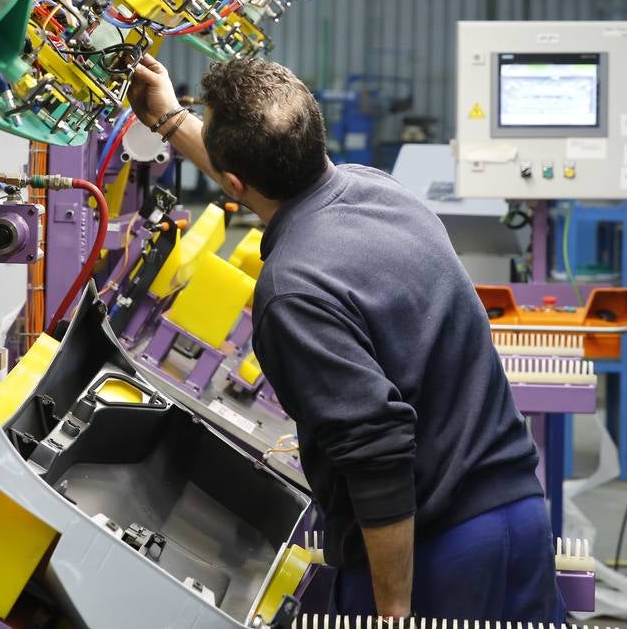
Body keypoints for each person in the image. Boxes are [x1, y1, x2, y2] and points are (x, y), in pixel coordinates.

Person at [128, 53, 564, 621]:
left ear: (236, 183)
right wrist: (168, 121)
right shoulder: (380, 190)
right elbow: (265, 180)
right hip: (520, 518)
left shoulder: (292, 291)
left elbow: (378, 457)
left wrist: (394, 610)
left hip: (435, 552)